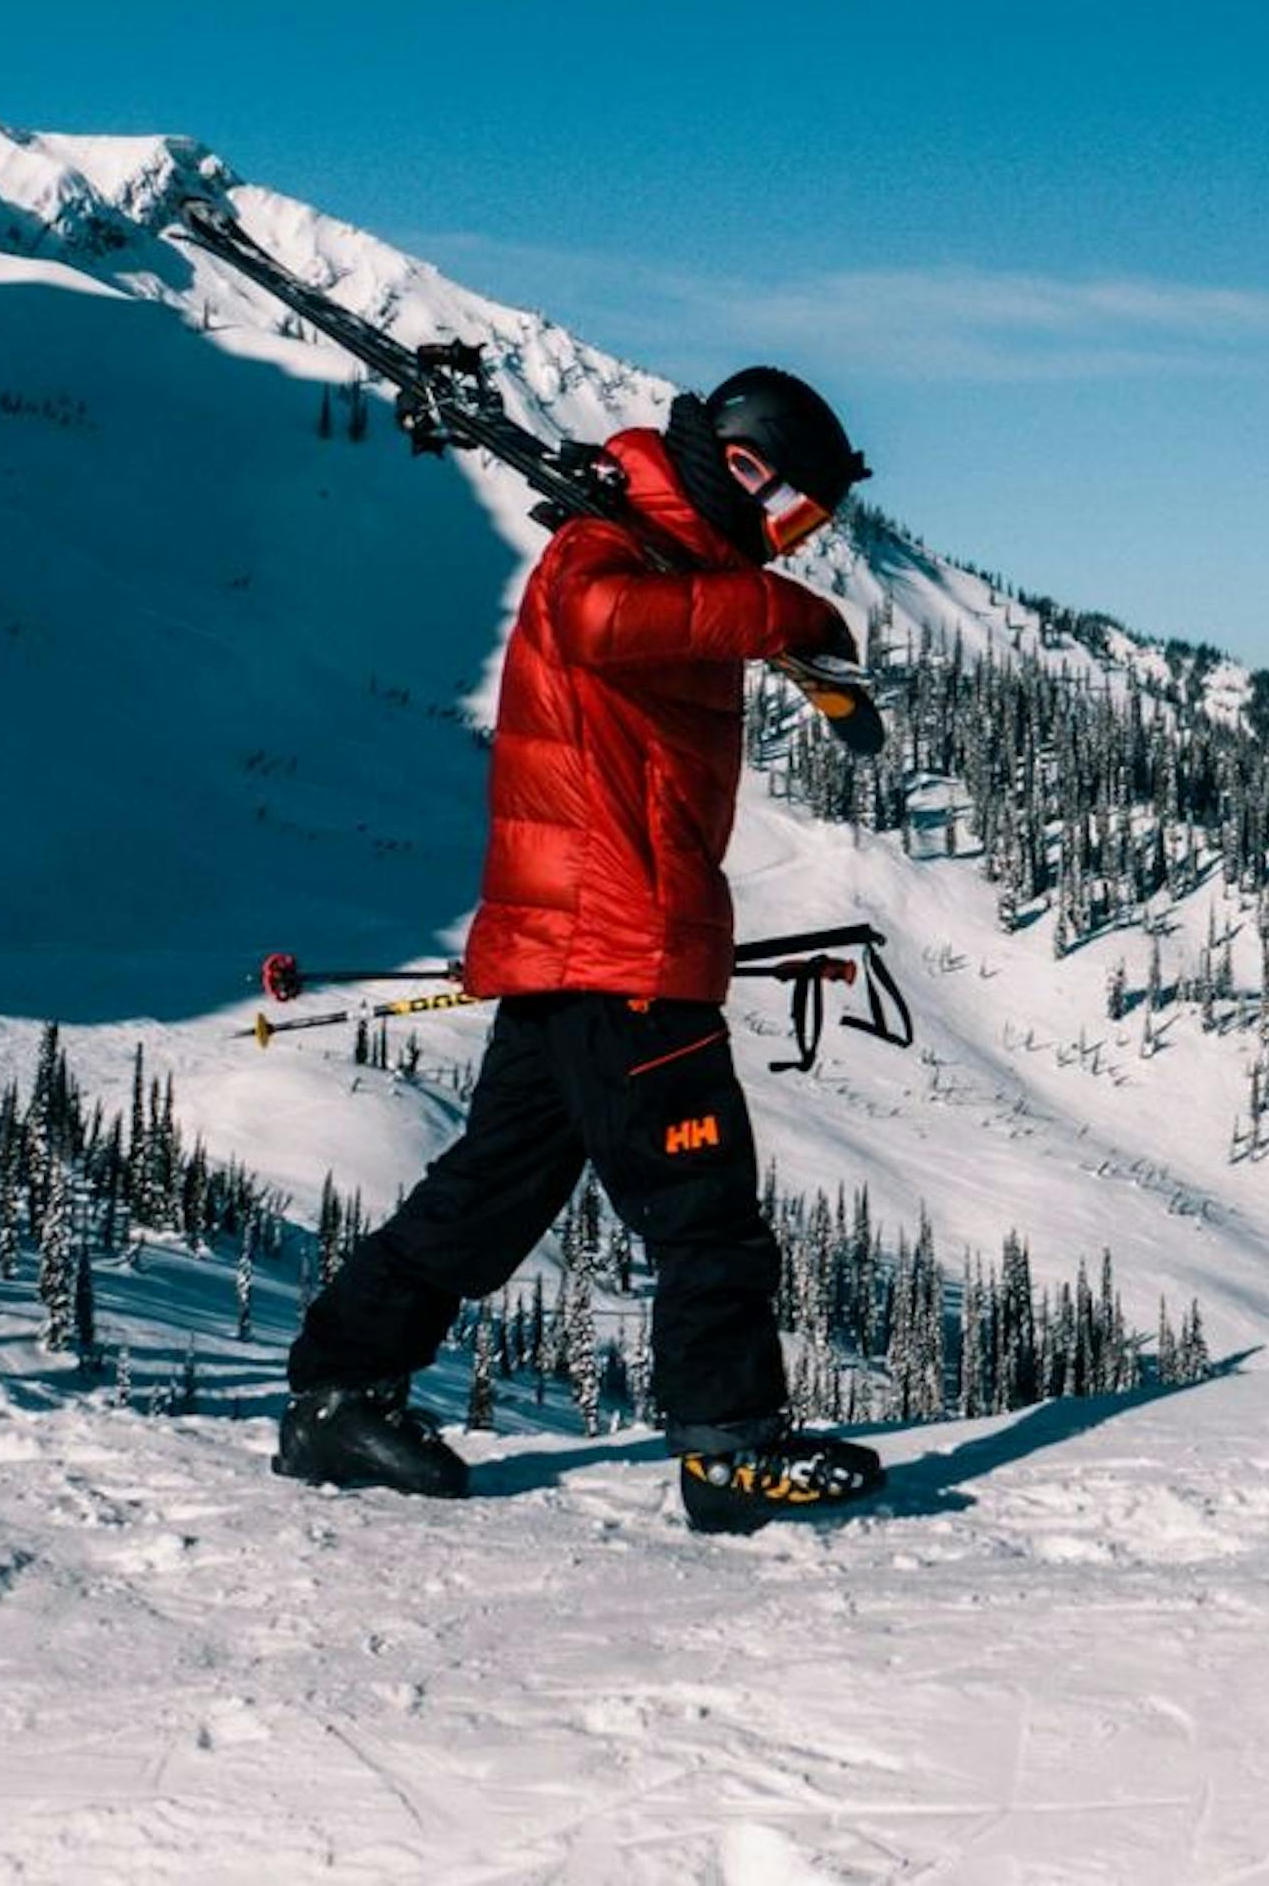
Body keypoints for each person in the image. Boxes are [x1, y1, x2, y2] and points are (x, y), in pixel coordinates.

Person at [275, 367, 887, 1533]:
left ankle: (336, 1394)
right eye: (795, 513)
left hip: (580, 940)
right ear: (748, 471)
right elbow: (604, 625)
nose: (791, 543)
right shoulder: (599, 555)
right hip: (620, 938)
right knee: (705, 1206)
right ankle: (732, 1449)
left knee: (487, 1197)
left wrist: (795, 646)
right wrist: (789, 619)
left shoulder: (668, 555)